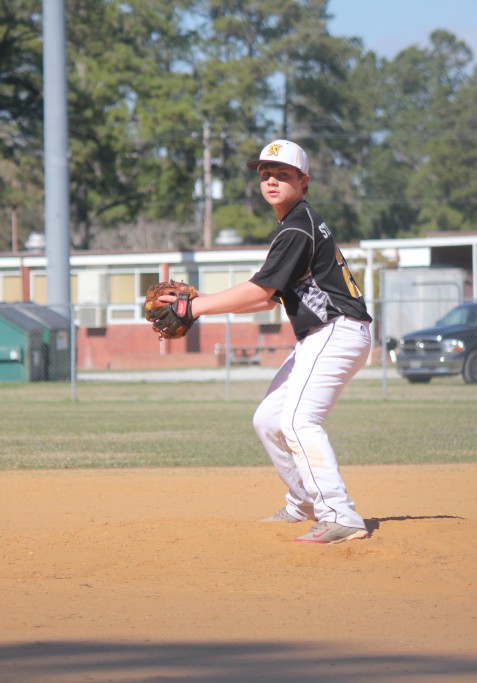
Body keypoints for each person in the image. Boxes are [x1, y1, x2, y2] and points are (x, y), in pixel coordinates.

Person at [155, 139, 373, 544]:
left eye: (283, 174)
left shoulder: (296, 227)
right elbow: (268, 298)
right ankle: (304, 503)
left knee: (297, 421)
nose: (272, 180)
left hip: (337, 330)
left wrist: (194, 310)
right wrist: (202, 300)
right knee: (268, 419)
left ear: (303, 181)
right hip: (324, 335)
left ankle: (339, 514)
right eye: (265, 174)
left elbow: (258, 293)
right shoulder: (294, 224)